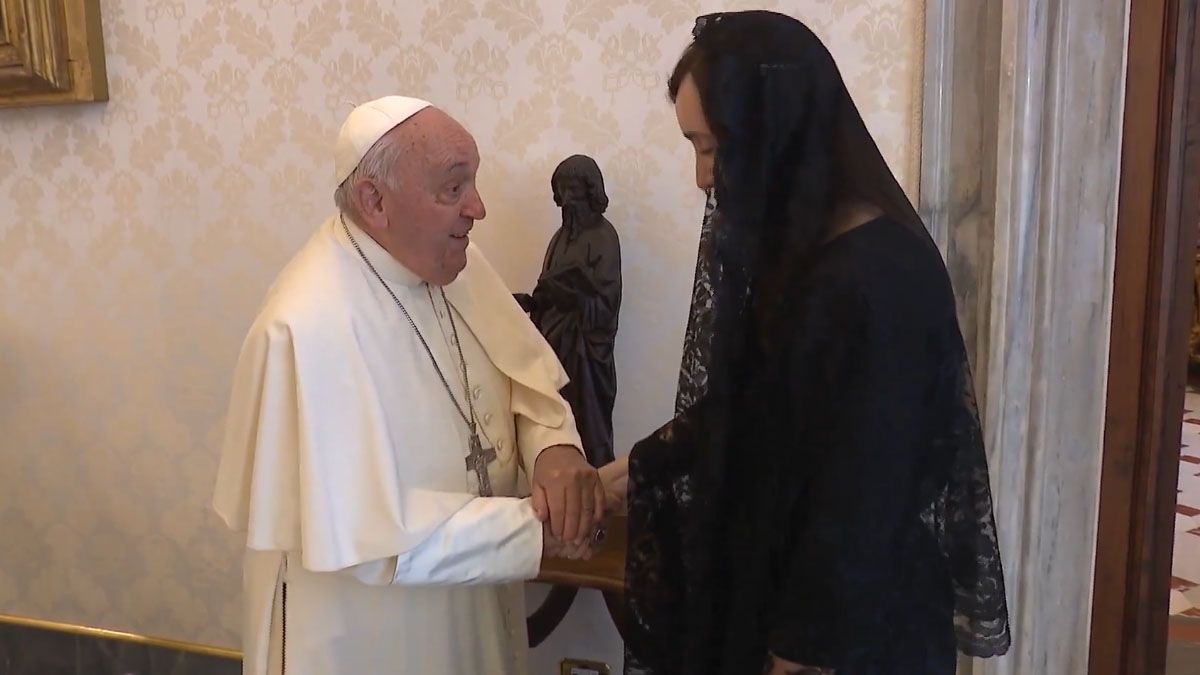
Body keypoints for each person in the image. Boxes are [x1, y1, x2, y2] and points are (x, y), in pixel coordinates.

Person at [600, 12, 1011, 675]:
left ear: (776, 132)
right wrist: (624, 474)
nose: (702, 177)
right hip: (795, 612)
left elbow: (862, 500)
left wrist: (796, 655)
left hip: (842, 643)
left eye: (711, 147)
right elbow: (757, 406)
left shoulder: (872, 278)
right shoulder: (810, 254)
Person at [212, 95, 606, 675]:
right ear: (375, 201)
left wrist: (554, 448)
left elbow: (525, 376)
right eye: (454, 189)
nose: (479, 208)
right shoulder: (308, 327)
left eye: (474, 182)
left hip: (470, 593)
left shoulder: (453, 262)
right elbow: (371, 542)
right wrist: (539, 529)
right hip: (368, 630)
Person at [515, 154, 622, 468]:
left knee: (591, 429)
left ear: (591, 191)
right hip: (555, 347)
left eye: (574, 191)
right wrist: (530, 302)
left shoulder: (604, 237)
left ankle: (598, 497)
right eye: (562, 193)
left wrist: (575, 296)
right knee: (556, 427)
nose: (567, 201)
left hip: (586, 356)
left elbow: (606, 304)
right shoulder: (558, 239)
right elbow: (546, 290)